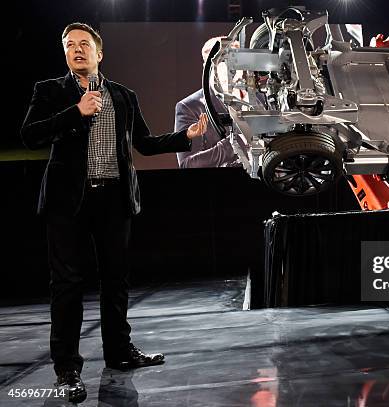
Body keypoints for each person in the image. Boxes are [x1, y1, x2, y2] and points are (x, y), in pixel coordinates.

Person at [21, 23, 208, 403]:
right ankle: (67, 368)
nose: (76, 50)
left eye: (84, 44)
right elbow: (30, 135)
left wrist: (184, 138)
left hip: (114, 200)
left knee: (116, 281)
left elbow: (144, 143)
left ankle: (120, 354)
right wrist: (75, 112)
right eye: (69, 45)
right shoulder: (51, 91)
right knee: (68, 286)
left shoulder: (123, 95)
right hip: (67, 203)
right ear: (65, 53)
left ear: (99, 53)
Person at [175, 37, 247, 168]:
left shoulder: (262, 97)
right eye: (223, 62)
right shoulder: (190, 107)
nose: (231, 70)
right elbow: (188, 164)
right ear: (207, 67)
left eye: (236, 61)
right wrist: (239, 141)